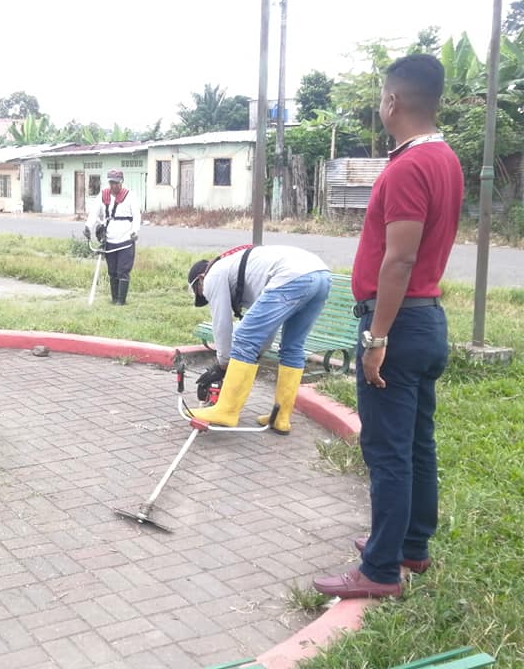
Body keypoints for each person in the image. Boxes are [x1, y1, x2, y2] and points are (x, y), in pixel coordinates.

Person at [313, 54, 463, 600]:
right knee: (417, 442)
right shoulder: (446, 158)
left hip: (397, 325)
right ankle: (411, 546)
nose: (381, 105)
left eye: (381, 97)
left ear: (393, 101)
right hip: (427, 320)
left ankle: (379, 570)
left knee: (387, 451)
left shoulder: (406, 168)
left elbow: (399, 260)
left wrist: (376, 338)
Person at [187, 245, 331, 434]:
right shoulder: (242, 272)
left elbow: (222, 325)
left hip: (292, 275)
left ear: (201, 278)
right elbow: (265, 331)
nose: (204, 294)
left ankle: (226, 411)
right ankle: (281, 417)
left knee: (244, 337)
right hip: (321, 275)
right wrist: (249, 357)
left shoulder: (213, 275)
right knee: (293, 347)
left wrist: (222, 365)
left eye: (200, 291)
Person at [83, 169, 140, 305]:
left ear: (121, 182)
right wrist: (88, 227)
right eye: (111, 183)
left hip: (126, 240)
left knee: (123, 271)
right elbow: (94, 213)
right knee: (112, 271)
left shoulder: (130, 196)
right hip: (110, 240)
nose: (113, 186)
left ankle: (121, 301)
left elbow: (137, 216)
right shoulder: (103, 196)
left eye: (116, 183)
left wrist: (135, 231)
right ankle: (114, 299)